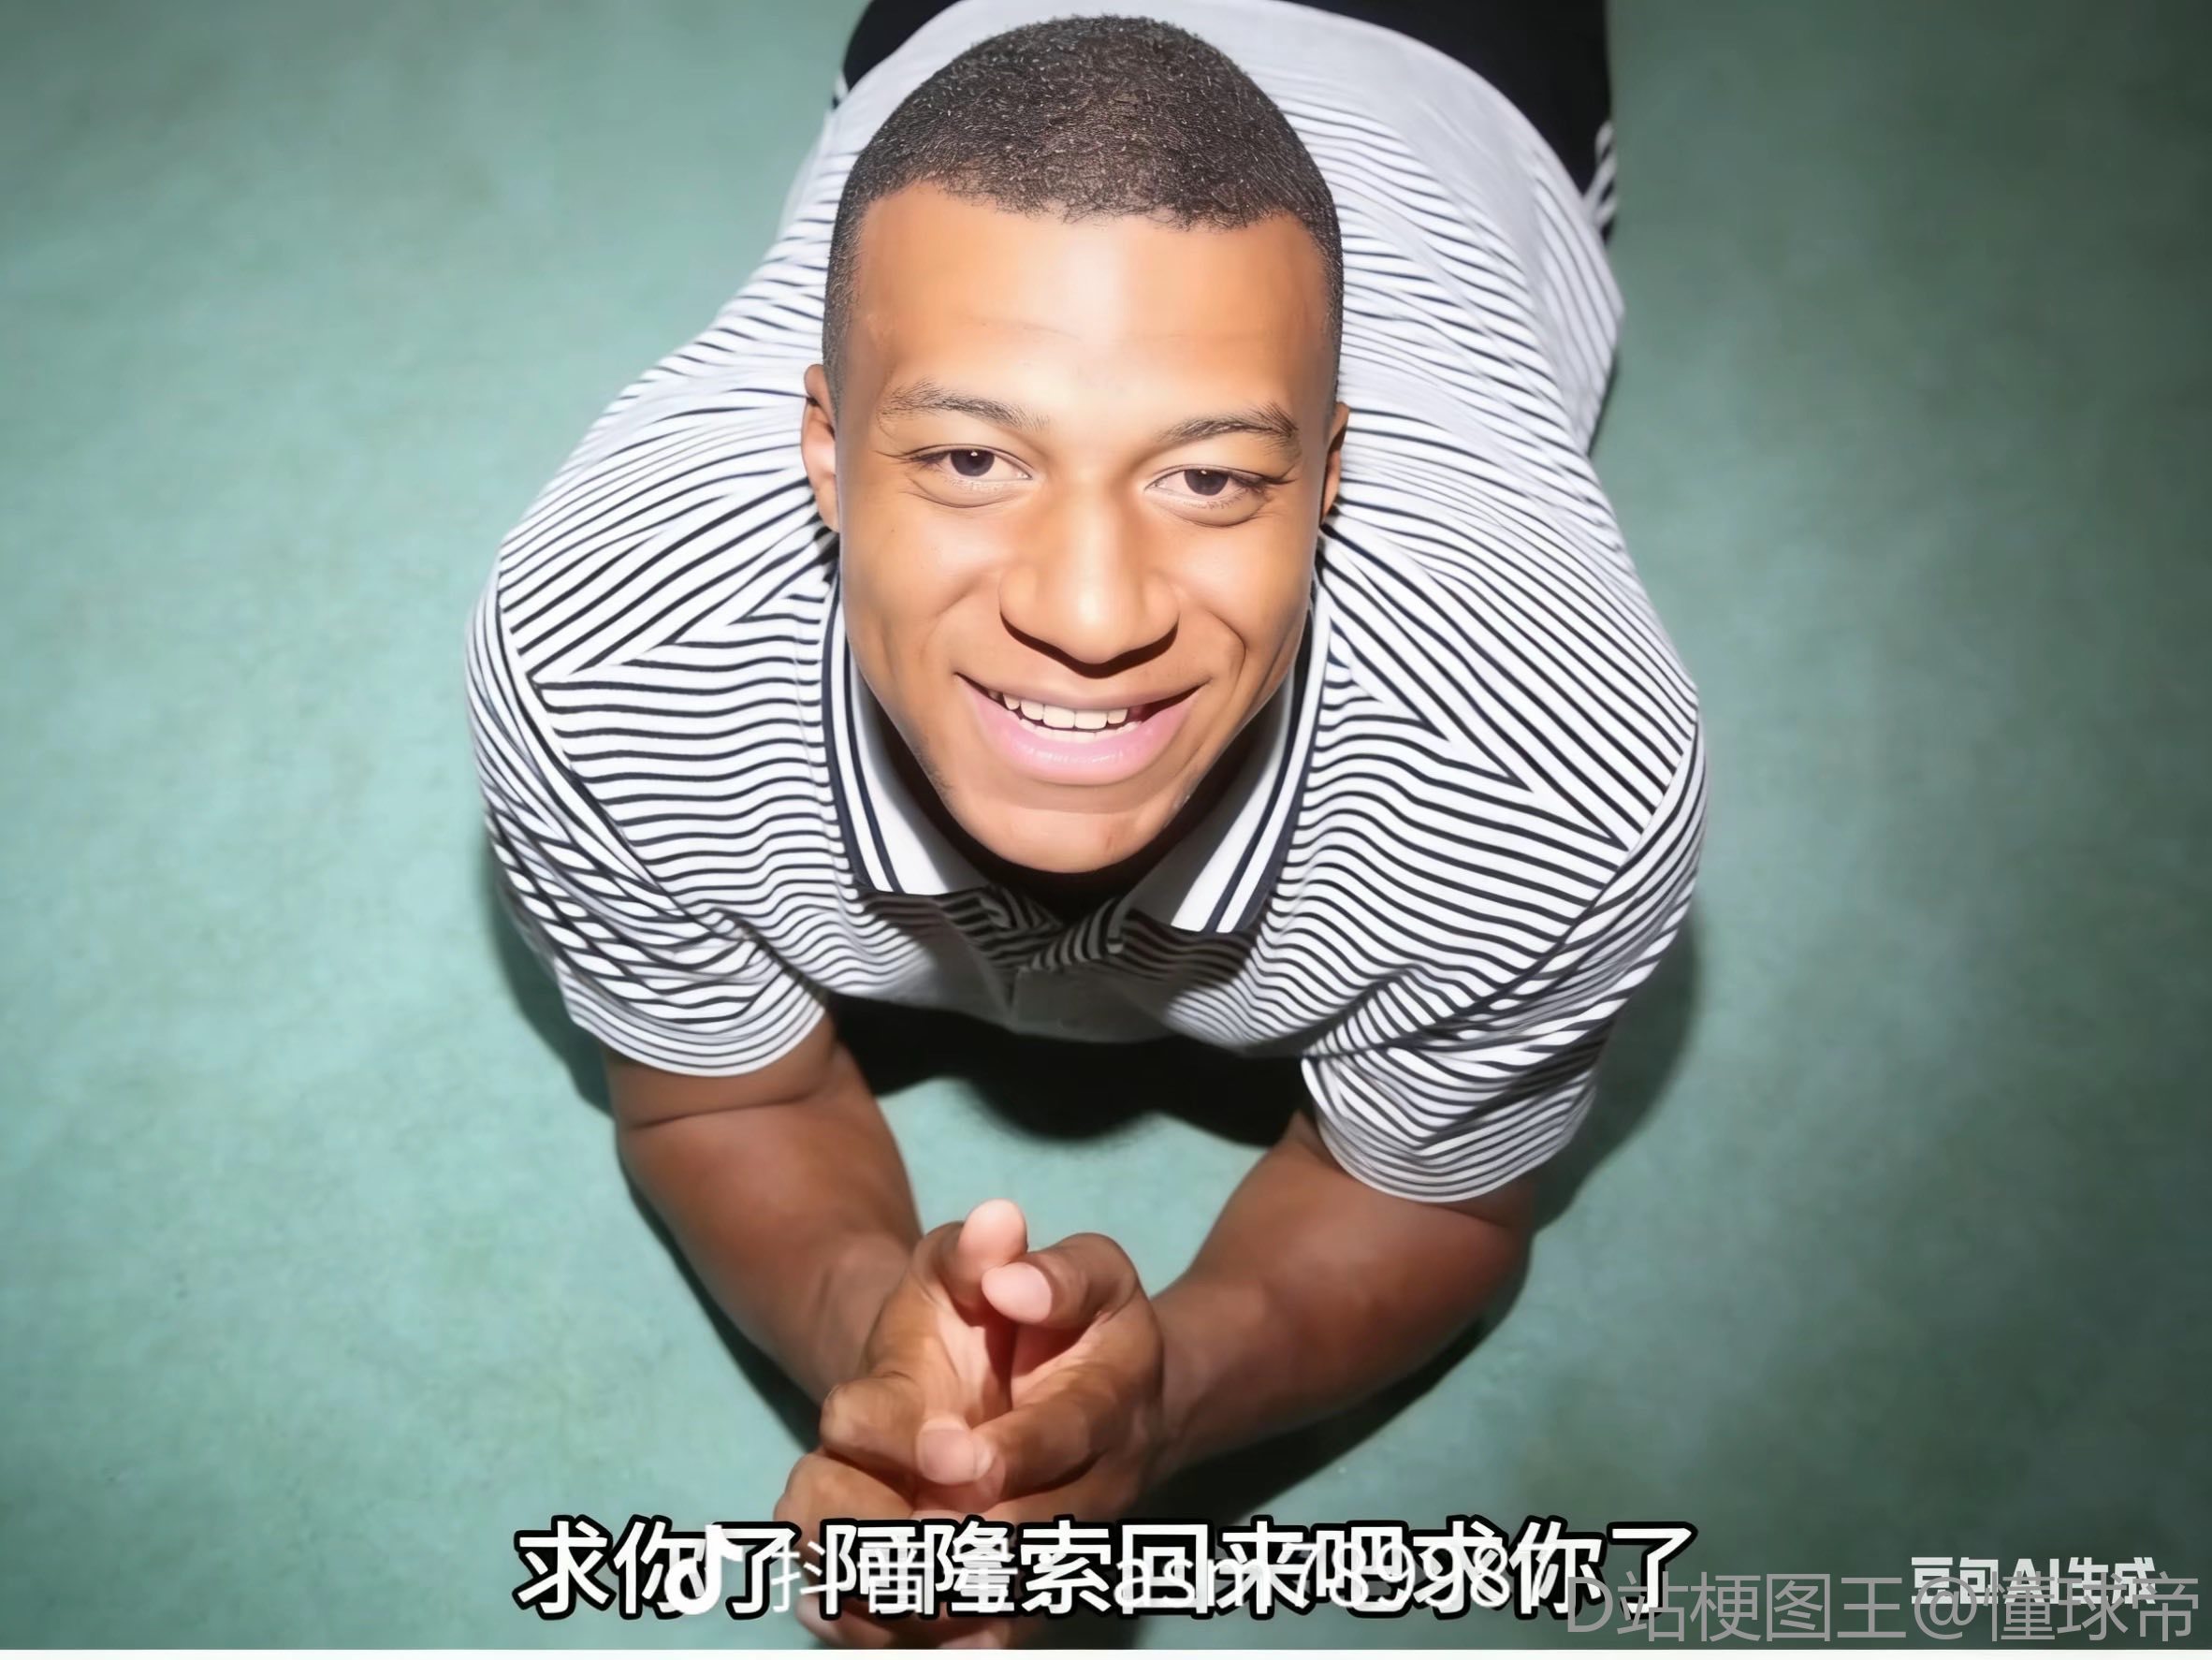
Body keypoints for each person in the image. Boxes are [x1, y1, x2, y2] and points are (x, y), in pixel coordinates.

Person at [465, 0, 1705, 1643]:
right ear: (822, 451)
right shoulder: (602, 659)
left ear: (1333, 476)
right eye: (971, 456)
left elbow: (1439, 1196)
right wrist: (883, 1359)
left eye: (1211, 478)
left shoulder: (1553, 776)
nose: (1092, 614)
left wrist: (1160, 1403)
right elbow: (718, 1096)